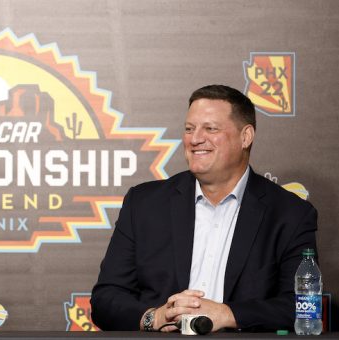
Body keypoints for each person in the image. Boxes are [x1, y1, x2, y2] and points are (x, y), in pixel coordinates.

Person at [91, 85, 318, 332]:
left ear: (246, 137)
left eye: (210, 128)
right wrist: (153, 317)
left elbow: (300, 306)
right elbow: (106, 299)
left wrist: (227, 314)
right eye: (189, 129)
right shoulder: (144, 204)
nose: (195, 138)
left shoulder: (290, 214)